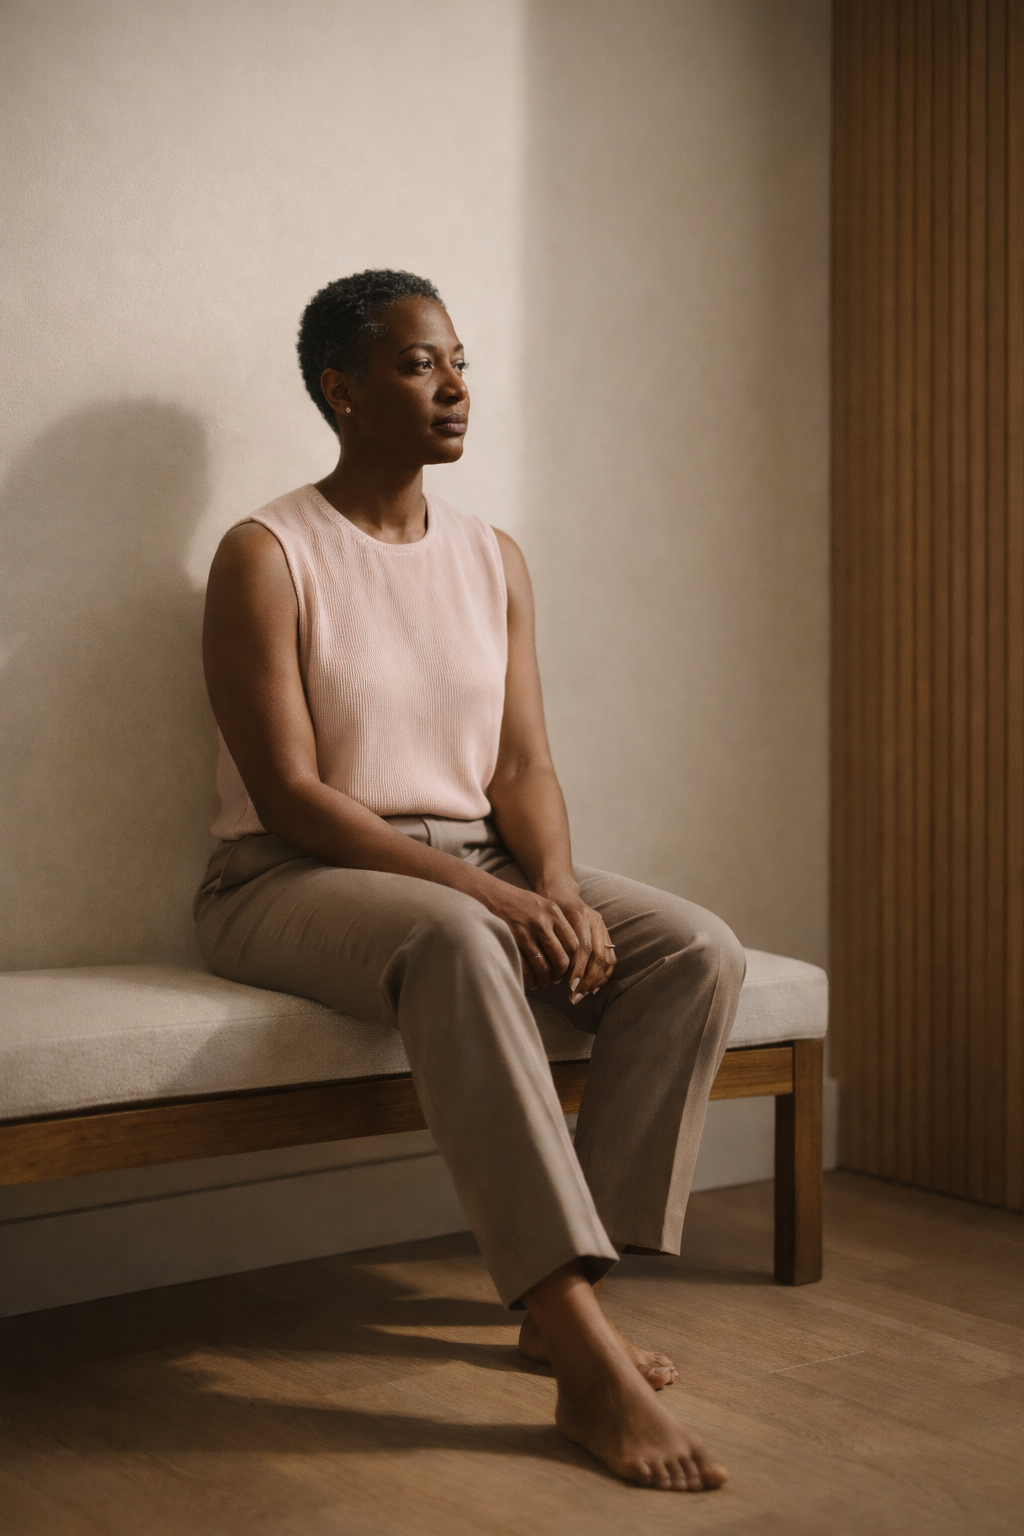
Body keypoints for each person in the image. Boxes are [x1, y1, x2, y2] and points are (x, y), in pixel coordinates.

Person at [196, 269, 745, 1492]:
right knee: (458, 939)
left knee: (694, 949)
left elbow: (522, 761)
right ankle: (583, 1356)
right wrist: (498, 905)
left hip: (477, 861)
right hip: (287, 876)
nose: (453, 387)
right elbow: (290, 796)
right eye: (415, 364)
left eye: (457, 361)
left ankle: (565, 1301)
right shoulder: (267, 552)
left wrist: (548, 883)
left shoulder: (492, 556)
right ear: (342, 392)